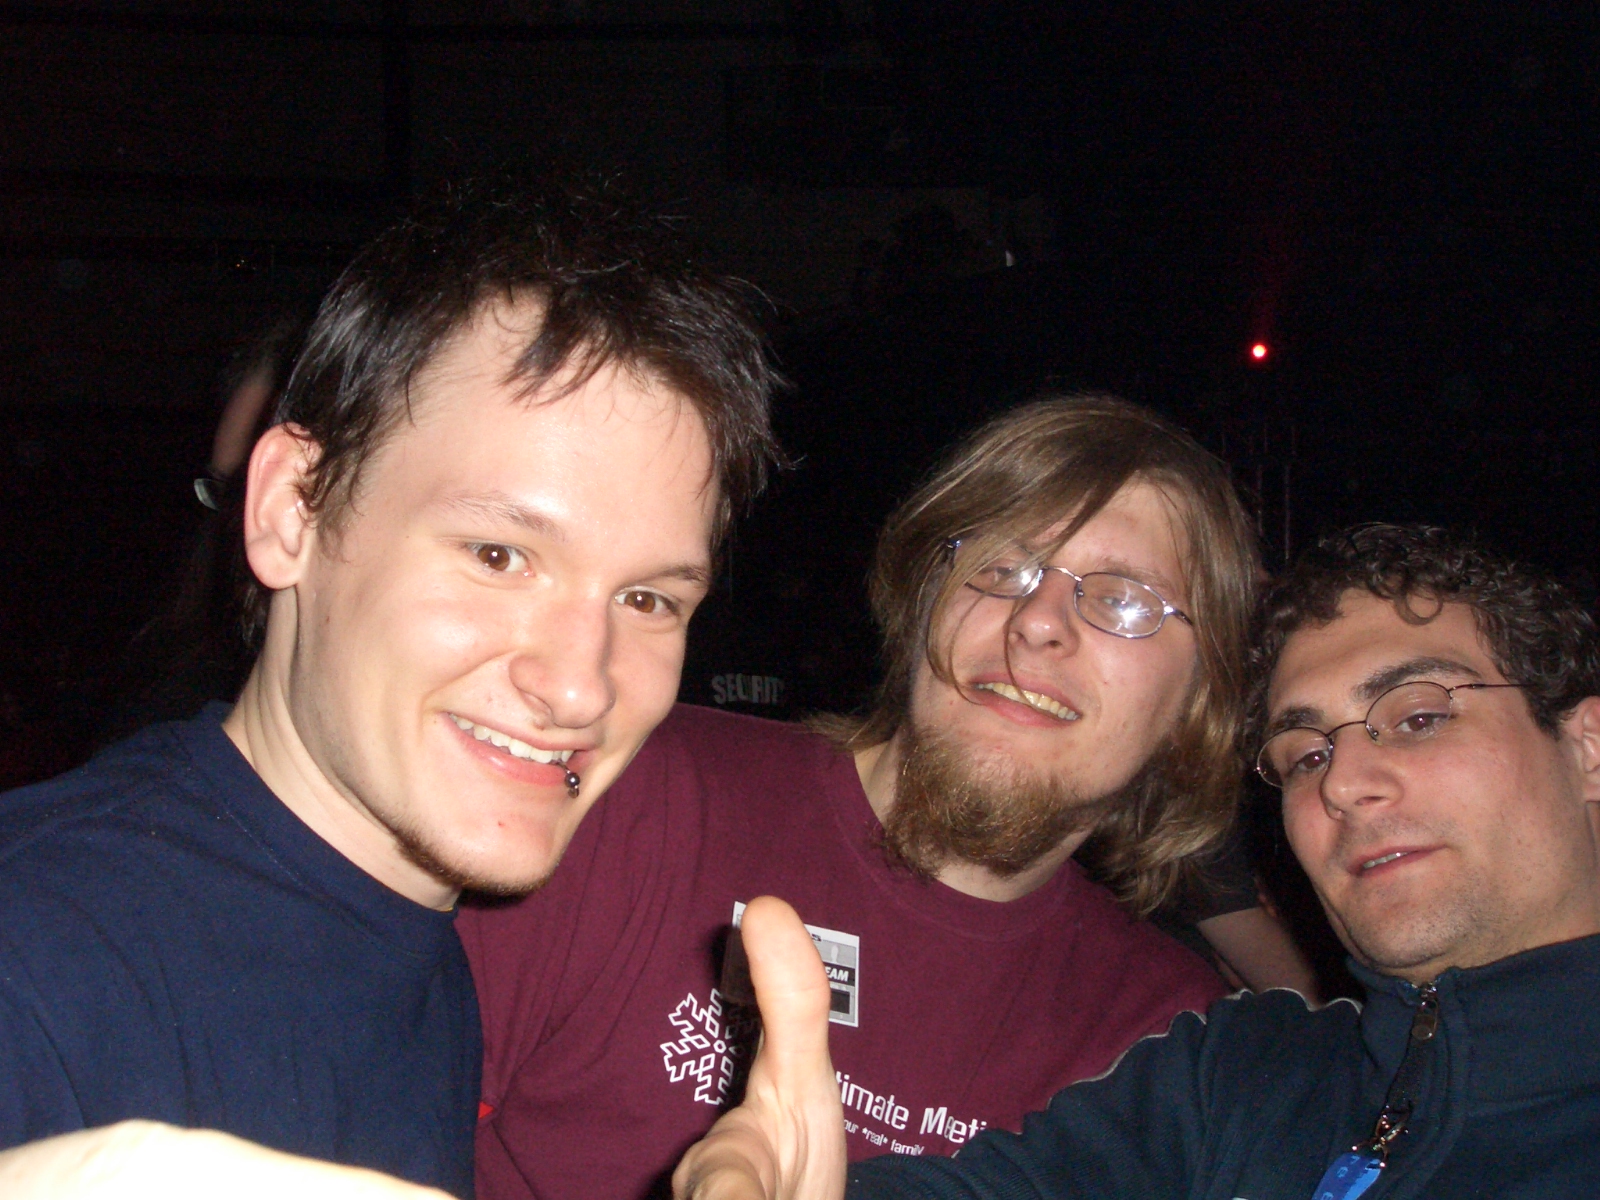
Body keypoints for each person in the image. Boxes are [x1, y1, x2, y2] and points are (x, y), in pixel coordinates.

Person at [0, 176, 781, 1197]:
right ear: (291, 511)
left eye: (646, 599)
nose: (579, 688)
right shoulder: (36, 956)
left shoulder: (418, 949)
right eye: (499, 556)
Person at [460, 395, 1288, 1200]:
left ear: (1200, 700)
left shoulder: (1173, 1050)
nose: (1037, 620)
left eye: (1122, 600)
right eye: (1001, 568)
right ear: (925, 603)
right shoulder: (637, 791)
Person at [674, 522, 1600, 1200]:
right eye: (1304, 754)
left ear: (1587, 746)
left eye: (1419, 717)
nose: (1345, 782)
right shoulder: (1240, 1075)